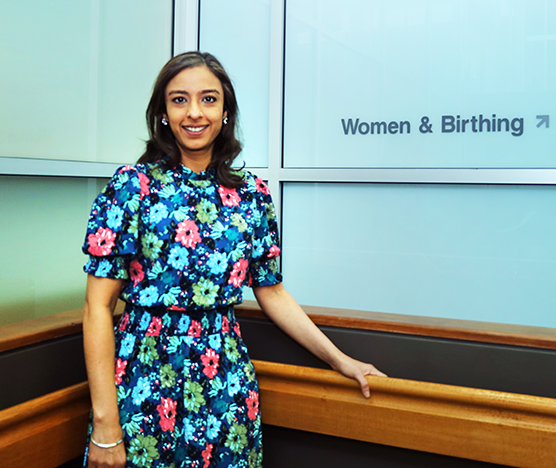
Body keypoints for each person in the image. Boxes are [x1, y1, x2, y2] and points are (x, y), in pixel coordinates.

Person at [81, 51, 385, 468]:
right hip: (144, 381)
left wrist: (341, 360)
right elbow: (97, 308)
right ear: (163, 113)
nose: (194, 113)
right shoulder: (132, 187)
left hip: (225, 382)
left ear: (226, 111)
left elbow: (273, 293)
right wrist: (105, 423)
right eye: (179, 99)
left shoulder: (252, 195)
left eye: (208, 99)